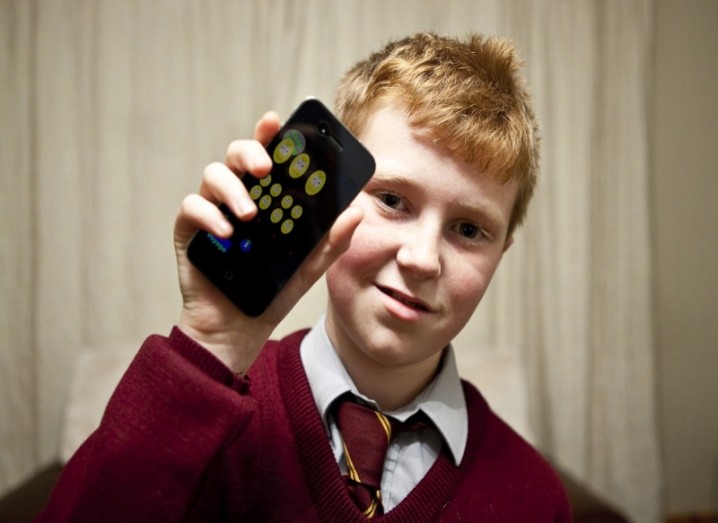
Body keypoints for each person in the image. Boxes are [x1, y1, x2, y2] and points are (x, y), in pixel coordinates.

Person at [37, 32, 572, 522]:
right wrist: (207, 347)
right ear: (333, 200)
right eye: (391, 200)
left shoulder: (534, 496)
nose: (422, 259)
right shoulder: (203, 420)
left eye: (469, 230)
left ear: (502, 253)